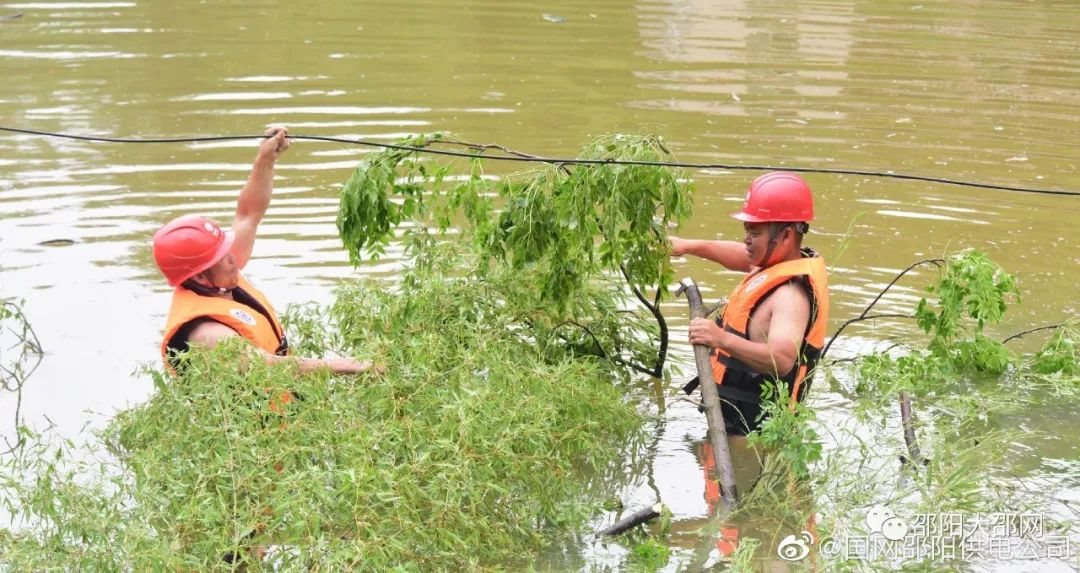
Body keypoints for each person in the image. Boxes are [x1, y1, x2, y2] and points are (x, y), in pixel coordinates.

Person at [153, 126, 378, 375]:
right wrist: (347, 365)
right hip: (258, 414)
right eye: (222, 255)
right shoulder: (206, 332)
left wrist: (266, 158)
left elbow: (248, 214)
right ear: (198, 276)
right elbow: (263, 366)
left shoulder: (217, 275)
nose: (232, 255)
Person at [672, 171, 829, 438]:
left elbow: (782, 360)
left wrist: (720, 338)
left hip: (756, 438)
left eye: (754, 232)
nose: (746, 240)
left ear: (786, 235)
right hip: (734, 424)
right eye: (746, 230)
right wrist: (688, 246)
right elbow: (743, 256)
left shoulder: (790, 297)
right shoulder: (779, 261)